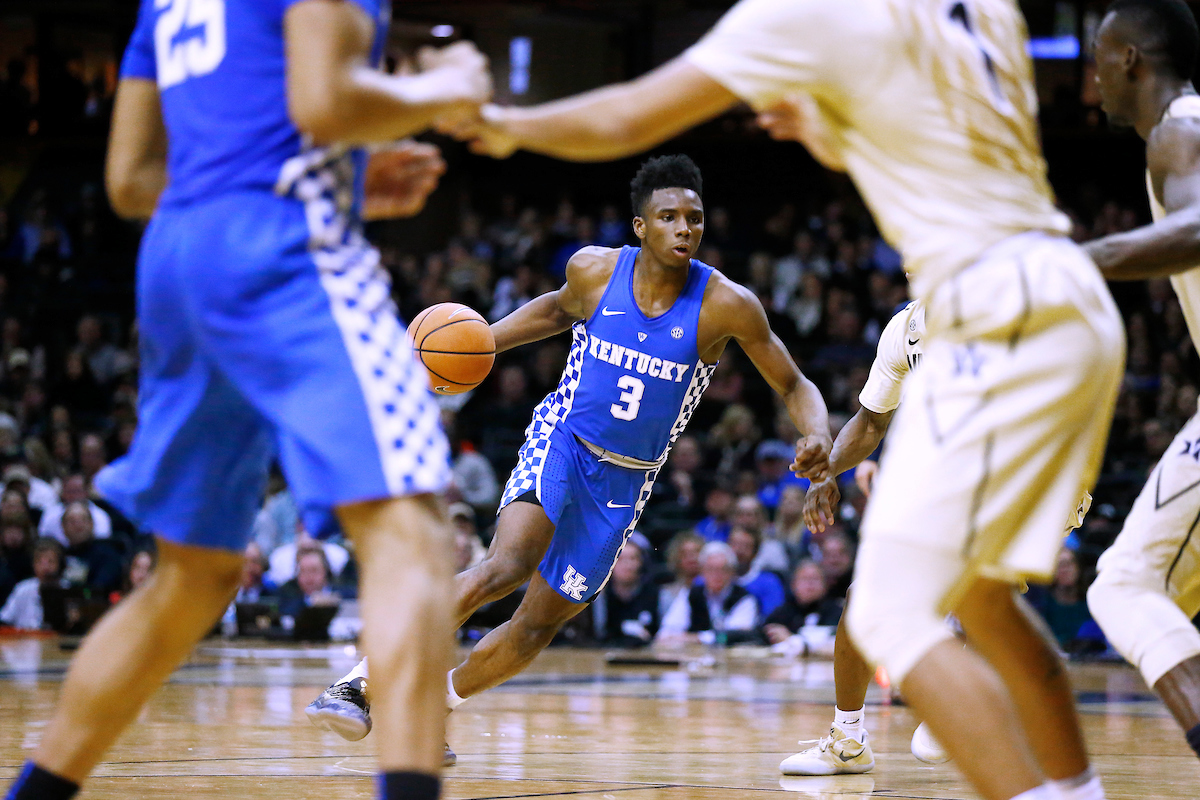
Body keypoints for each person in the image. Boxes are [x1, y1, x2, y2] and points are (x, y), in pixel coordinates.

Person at [447, 2, 1128, 798]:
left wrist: (500, 123)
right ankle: (1068, 786)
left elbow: (628, 116)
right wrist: (825, 129)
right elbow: (930, 140)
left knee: (890, 611)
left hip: (989, 313)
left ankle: (1009, 772)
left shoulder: (807, 15)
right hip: (1068, 304)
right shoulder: (988, 10)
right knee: (978, 601)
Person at [0, 0, 491, 797]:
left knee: (190, 578)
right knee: (413, 537)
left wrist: (352, 182)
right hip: (284, 254)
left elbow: (130, 181)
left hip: (178, 259)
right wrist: (448, 85)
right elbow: (325, 104)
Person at [306, 154, 832, 762]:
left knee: (537, 625)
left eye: (694, 217)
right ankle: (360, 681)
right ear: (641, 226)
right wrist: (482, 344)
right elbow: (556, 310)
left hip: (626, 481)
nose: (684, 228)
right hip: (563, 439)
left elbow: (794, 384)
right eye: (668, 217)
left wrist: (817, 433)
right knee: (504, 567)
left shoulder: (726, 304)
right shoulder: (594, 270)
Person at [1082, 0, 1200, 766]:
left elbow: (1197, 227)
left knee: (1125, 586)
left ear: (1130, 58)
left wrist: (1070, 261)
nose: (1092, 80)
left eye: (1099, 60)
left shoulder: (1178, 128)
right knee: (1163, 597)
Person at [657, 541, 759, 644]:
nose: (716, 575)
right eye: (711, 569)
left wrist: (697, 638)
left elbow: (735, 634)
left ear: (732, 572)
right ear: (702, 571)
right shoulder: (690, 594)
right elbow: (667, 631)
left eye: (723, 569)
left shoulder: (744, 599)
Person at [763, 559, 843, 645]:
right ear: (793, 584)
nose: (810, 584)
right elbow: (762, 633)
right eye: (805, 579)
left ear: (825, 585)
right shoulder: (783, 612)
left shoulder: (836, 612)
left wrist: (790, 639)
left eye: (815, 579)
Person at [0, 537, 65, 630]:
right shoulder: (23, 588)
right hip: (24, 637)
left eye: (50, 561)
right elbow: (5, 618)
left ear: (59, 564)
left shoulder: (67, 588)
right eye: (40, 562)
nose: (45, 567)